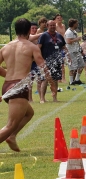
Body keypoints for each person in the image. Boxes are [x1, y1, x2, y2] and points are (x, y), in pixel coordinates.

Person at [0, 18, 54, 152]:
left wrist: (7, 75)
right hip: (19, 87)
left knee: (29, 113)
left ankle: (11, 137)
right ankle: (10, 133)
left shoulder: (6, 47)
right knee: (11, 125)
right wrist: (52, 83)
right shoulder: (32, 47)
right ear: (29, 30)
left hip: (7, 86)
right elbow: (43, 66)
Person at [37, 20, 68, 103]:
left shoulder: (59, 35)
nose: (53, 27)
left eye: (54, 25)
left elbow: (64, 46)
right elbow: (38, 48)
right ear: (47, 26)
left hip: (57, 61)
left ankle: (55, 98)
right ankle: (42, 98)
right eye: (51, 25)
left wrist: (67, 54)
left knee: (55, 79)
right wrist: (40, 59)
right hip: (46, 61)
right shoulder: (44, 36)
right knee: (45, 79)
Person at [65, 18, 85, 85]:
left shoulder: (74, 31)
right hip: (71, 51)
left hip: (76, 51)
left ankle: (77, 79)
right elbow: (68, 41)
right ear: (73, 24)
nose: (77, 24)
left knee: (82, 65)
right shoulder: (68, 32)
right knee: (72, 67)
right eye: (76, 23)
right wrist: (77, 39)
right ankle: (71, 82)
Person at [54, 13, 67, 83]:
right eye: (57, 18)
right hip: (57, 46)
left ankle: (63, 78)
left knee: (62, 63)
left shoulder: (63, 26)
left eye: (60, 18)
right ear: (55, 20)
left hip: (62, 45)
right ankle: (58, 78)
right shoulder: (55, 26)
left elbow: (64, 35)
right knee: (58, 63)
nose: (59, 19)